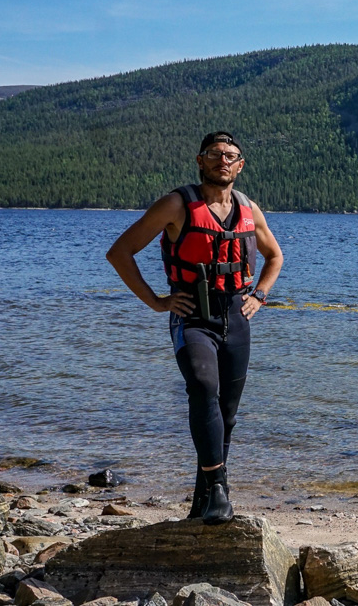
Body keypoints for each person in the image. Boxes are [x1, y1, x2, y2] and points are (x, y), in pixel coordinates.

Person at [107, 131, 283, 525]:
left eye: (231, 155)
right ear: (201, 161)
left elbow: (275, 257)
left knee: (227, 411)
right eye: (215, 154)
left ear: (240, 165)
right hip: (192, 317)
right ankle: (219, 487)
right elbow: (119, 252)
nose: (224, 160)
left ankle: (204, 496)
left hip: (237, 316)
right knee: (203, 387)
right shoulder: (176, 204)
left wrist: (261, 295)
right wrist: (156, 301)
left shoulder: (248, 209)